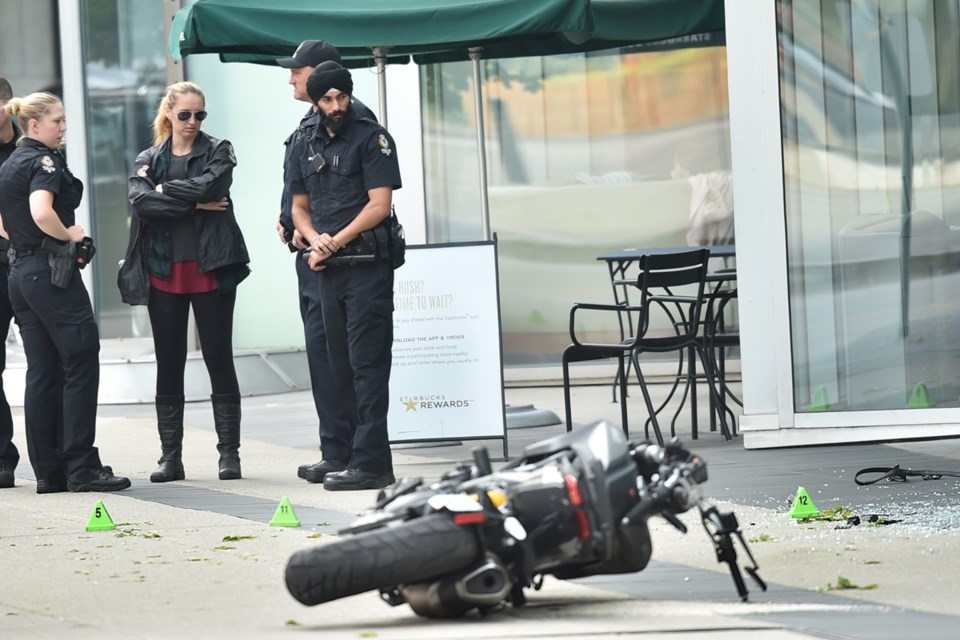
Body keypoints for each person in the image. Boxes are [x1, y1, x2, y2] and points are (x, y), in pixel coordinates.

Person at [0, 91, 130, 493]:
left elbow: (4, 225)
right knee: (80, 360)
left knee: (42, 371)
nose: (64, 127)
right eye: (57, 121)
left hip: (19, 273)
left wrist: (26, 244)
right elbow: (42, 210)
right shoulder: (42, 160)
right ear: (34, 125)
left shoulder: (9, 164)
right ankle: (81, 464)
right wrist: (69, 238)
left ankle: (48, 471)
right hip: (50, 274)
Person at [125, 81, 250, 482]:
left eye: (199, 115)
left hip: (211, 265)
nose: (193, 121)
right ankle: (170, 458)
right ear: (168, 114)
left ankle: (229, 454)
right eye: (185, 114)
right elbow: (141, 203)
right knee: (169, 362)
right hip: (163, 268)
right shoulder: (149, 157)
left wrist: (166, 193)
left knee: (218, 357)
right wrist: (194, 203)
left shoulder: (218, 150)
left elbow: (215, 185)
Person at [289, 63, 401, 491]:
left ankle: (374, 462)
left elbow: (379, 205)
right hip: (328, 269)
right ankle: (352, 456)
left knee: (367, 366)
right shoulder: (304, 140)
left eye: (341, 98)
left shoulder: (372, 137)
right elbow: (299, 205)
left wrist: (332, 241)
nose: (336, 107)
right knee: (339, 367)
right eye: (327, 100)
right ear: (315, 101)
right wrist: (315, 238)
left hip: (367, 268)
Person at [274, 41, 377, 483]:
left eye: (297, 71)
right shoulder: (307, 125)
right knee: (323, 356)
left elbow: (352, 195)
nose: (291, 78)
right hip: (314, 254)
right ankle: (335, 450)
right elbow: (304, 190)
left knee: (349, 359)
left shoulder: (357, 121)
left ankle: (356, 454)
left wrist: (319, 236)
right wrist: (293, 223)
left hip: (342, 259)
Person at [0, 77, 20, 488]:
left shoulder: (30, 146)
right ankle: (3, 457)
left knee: (51, 361)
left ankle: (61, 458)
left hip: (33, 263)